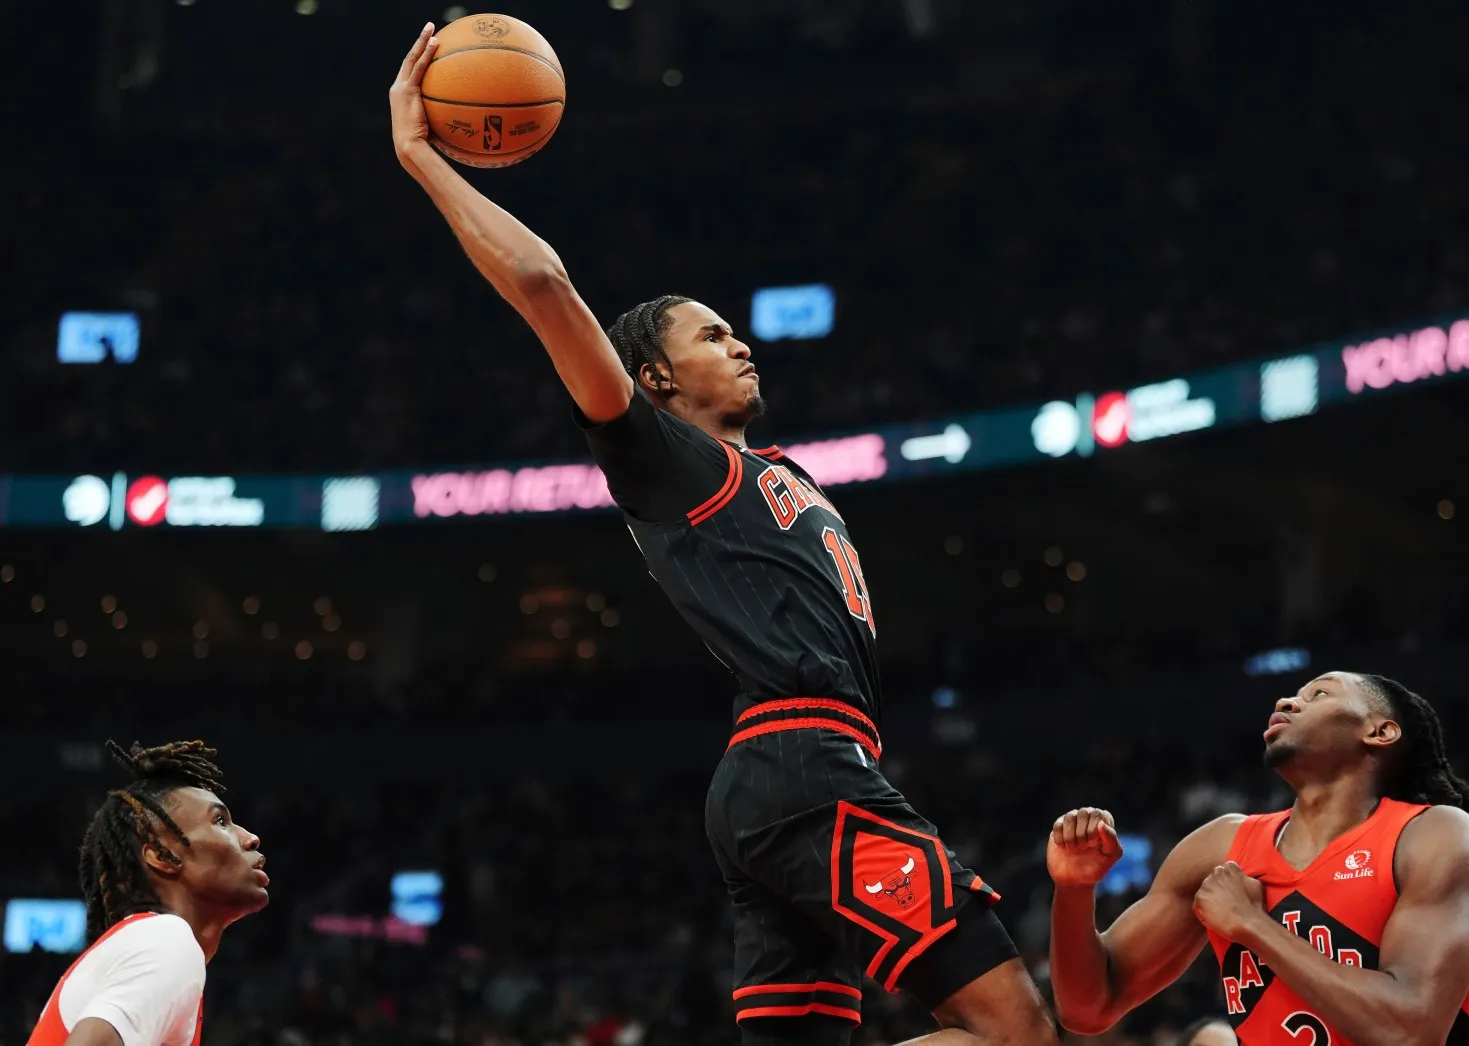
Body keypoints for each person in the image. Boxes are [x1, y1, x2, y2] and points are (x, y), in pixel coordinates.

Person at [389, 23, 1057, 1046]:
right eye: (709, 333)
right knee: (1015, 1028)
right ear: (655, 382)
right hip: (807, 764)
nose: (739, 340)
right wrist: (423, 158)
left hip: (783, 777)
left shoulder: (769, 470)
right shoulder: (669, 462)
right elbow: (544, 290)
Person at [1047, 672, 1469, 1045]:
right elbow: (1089, 1008)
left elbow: (1410, 1030)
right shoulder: (1220, 847)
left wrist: (1253, 926)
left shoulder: (1433, 834)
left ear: (1379, 731)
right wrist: (1073, 891)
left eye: (1319, 694)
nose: (1288, 700)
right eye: (1294, 695)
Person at [27, 741, 269, 1046]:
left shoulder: (153, 942)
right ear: (163, 856)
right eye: (220, 821)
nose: (251, 838)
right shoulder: (167, 939)